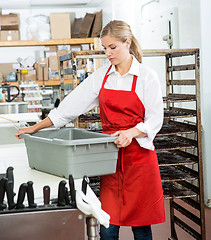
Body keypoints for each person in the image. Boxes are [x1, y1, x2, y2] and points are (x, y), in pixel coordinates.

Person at [16, 20, 165, 239]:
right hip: (110, 158)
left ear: (127, 42)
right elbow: (68, 109)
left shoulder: (146, 76)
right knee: (107, 226)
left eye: (113, 47)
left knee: (142, 228)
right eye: (105, 48)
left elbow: (155, 119)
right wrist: (35, 128)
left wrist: (131, 132)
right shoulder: (101, 77)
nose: (108, 53)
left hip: (139, 160)